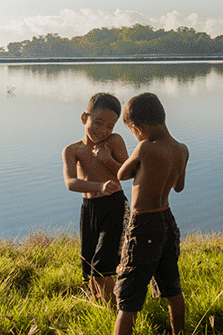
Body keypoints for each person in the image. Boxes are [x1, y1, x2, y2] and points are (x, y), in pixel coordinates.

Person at [113, 93, 188, 335]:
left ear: (139, 128)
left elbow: (122, 175)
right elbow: (179, 186)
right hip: (167, 221)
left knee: (128, 296)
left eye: (132, 131)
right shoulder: (182, 150)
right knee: (172, 286)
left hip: (143, 223)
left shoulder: (144, 148)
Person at [62, 92, 129, 306]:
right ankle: (100, 308)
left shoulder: (114, 142)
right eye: (98, 122)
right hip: (89, 208)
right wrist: (99, 186)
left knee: (102, 268)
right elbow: (71, 182)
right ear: (85, 118)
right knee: (90, 268)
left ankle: (118, 313)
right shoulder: (72, 150)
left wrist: (107, 160)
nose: (103, 130)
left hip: (114, 206)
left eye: (110, 126)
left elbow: (128, 172)